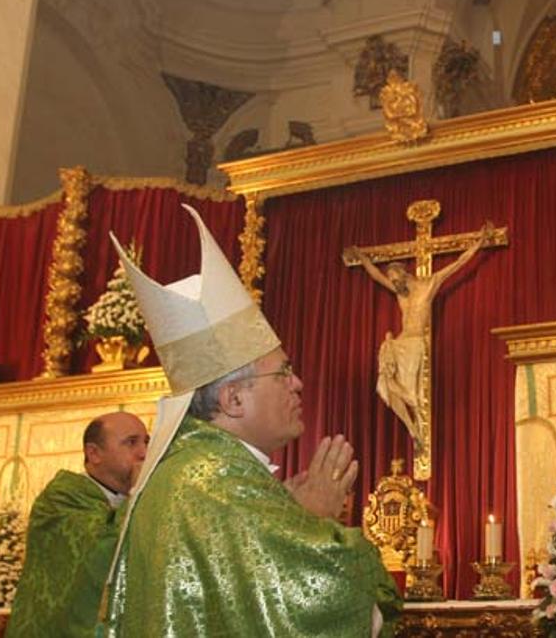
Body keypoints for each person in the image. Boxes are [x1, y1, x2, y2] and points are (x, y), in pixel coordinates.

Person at [101, 205, 400, 636]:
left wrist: (287, 518)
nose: (297, 384)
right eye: (283, 372)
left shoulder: (195, 472)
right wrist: (315, 522)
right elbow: (331, 603)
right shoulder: (217, 483)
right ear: (234, 398)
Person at [6, 412, 148, 637]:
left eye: (146, 442)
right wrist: (139, 494)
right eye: (131, 442)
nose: (144, 453)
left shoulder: (137, 499)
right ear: (94, 453)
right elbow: (102, 549)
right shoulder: (61, 499)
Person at [353, 221, 493, 439]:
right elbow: (376, 276)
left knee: (410, 391)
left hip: (416, 343)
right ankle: (411, 426)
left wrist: (480, 242)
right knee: (386, 384)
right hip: (401, 341)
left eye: (396, 279)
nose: (394, 284)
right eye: (392, 281)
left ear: (404, 274)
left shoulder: (429, 284)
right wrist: (362, 258)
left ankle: (416, 418)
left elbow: (459, 262)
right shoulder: (401, 292)